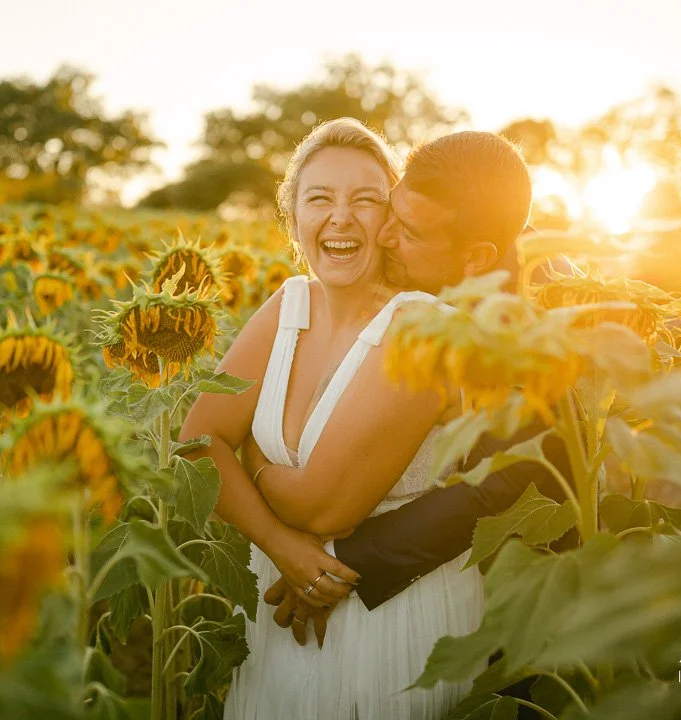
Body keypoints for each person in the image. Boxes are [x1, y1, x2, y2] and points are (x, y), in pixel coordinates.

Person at [180, 119, 549, 718]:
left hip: (394, 614)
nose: (342, 218)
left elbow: (322, 506)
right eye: (318, 198)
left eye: (368, 201)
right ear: (292, 214)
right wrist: (279, 544)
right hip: (280, 612)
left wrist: (251, 458)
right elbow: (196, 441)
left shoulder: (424, 322)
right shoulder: (286, 305)